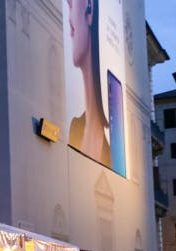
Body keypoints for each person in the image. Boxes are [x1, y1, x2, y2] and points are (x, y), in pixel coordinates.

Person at [67, 0, 111, 167]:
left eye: (72, 2)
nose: (69, 15)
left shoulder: (113, 152)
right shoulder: (74, 126)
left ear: (90, 9)